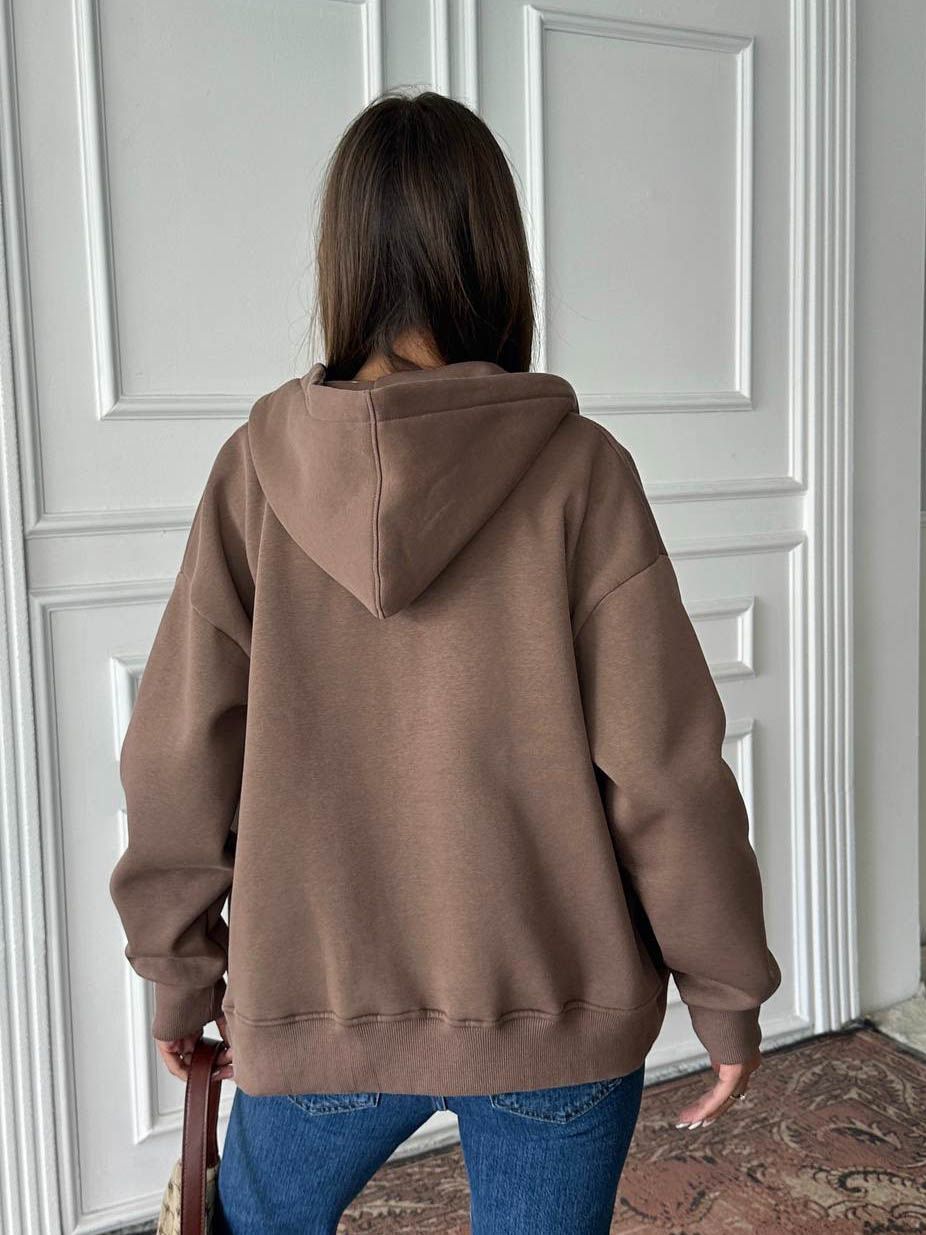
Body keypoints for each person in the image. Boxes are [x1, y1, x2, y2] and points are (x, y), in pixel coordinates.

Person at [109, 88, 781, 1235]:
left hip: (318, 1005)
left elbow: (177, 753)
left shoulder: (254, 472)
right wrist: (723, 991)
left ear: (343, 261)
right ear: (494, 253)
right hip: (552, 1011)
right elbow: (664, 771)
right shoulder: (580, 471)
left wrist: (179, 972)